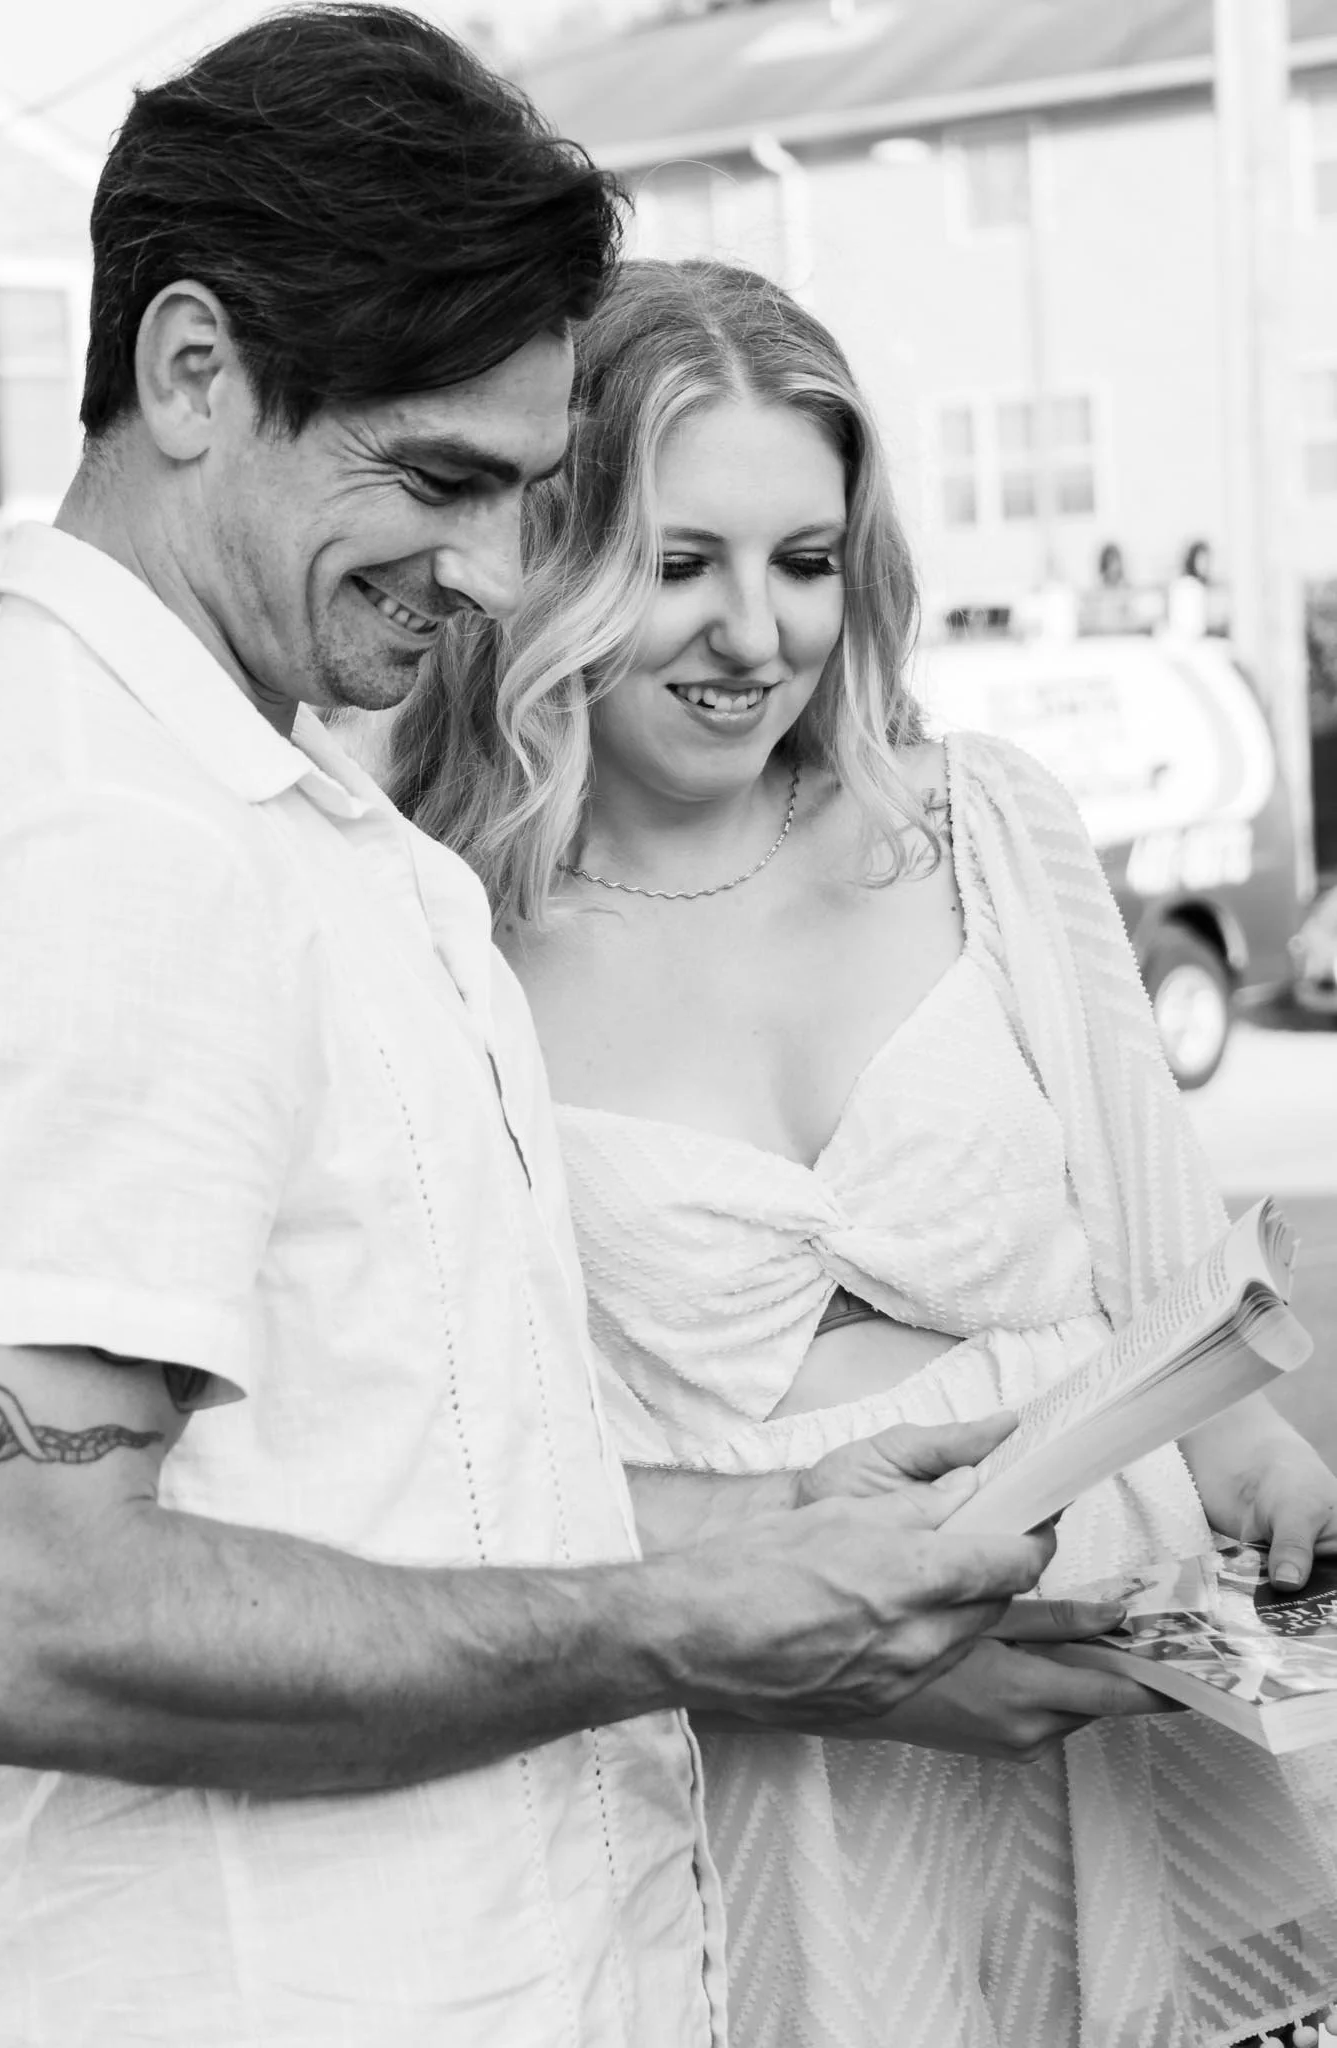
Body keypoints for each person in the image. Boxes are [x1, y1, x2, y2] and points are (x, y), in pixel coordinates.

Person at [0, 24, 1071, 2048]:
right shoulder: (107, 837)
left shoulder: (274, 810)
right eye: (435, 482)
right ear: (193, 370)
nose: (491, 571)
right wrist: (658, 1627)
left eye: (525, 492)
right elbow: (11, 1605)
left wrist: (765, 1532)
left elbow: (400, 1488)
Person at [394, 258, 1337, 2048]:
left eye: (806, 562)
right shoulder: (442, 943)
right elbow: (480, 1479)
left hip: (1120, 1702)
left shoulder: (982, 826)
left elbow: (1178, 1282)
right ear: (556, 558)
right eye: (682, 563)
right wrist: (830, 1664)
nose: (755, 636)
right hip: (759, 1766)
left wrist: (1268, 1469)